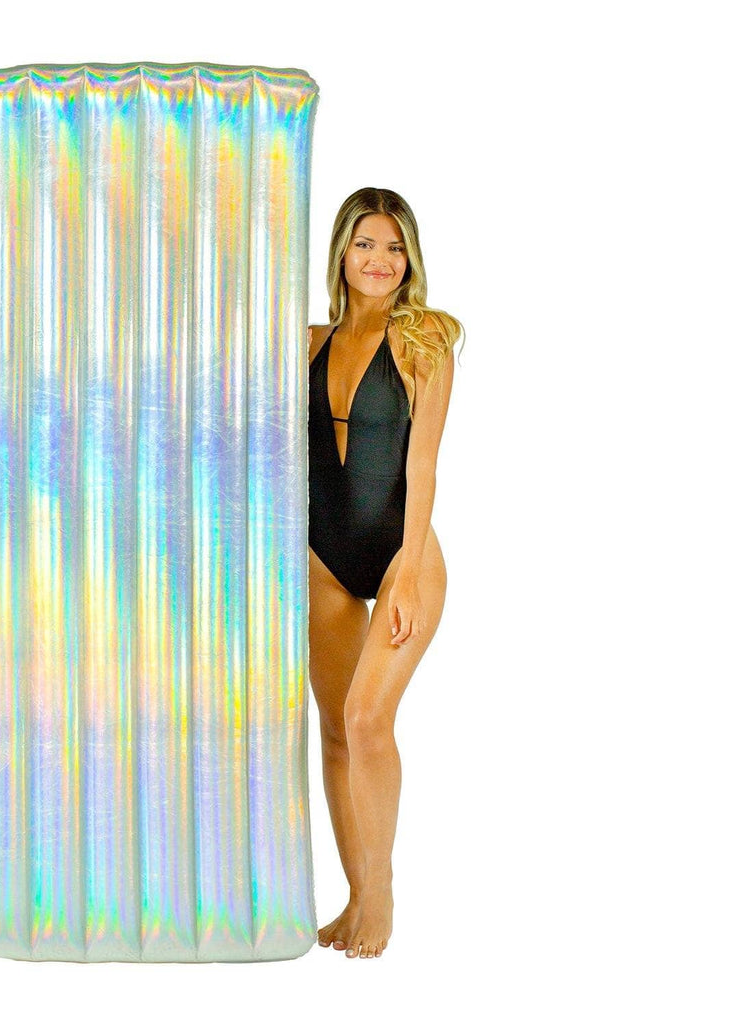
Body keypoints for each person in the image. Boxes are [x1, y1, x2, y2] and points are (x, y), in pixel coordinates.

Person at [308, 187, 463, 959]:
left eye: (395, 246)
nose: (380, 260)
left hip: (405, 549)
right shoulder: (303, 342)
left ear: (411, 258)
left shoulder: (424, 337)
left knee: (369, 720)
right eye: (366, 243)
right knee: (337, 730)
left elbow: (424, 466)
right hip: (322, 556)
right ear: (341, 251)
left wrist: (404, 577)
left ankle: (383, 892)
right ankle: (354, 897)